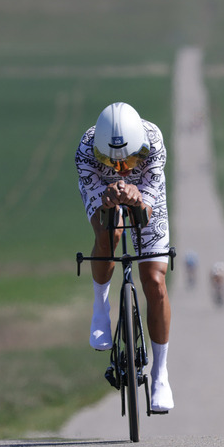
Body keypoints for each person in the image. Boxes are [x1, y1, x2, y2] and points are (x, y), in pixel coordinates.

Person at [76, 102, 173, 413]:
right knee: (110, 234)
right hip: (102, 191)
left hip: (145, 192)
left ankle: (160, 374)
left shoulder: (154, 141)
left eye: (130, 160)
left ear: (141, 148)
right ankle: (100, 308)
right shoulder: (86, 151)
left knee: (154, 281)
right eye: (112, 162)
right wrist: (108, 206)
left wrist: (137, 198)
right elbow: (100, 216)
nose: (122, 170)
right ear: (98, 153)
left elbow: (147, 213)